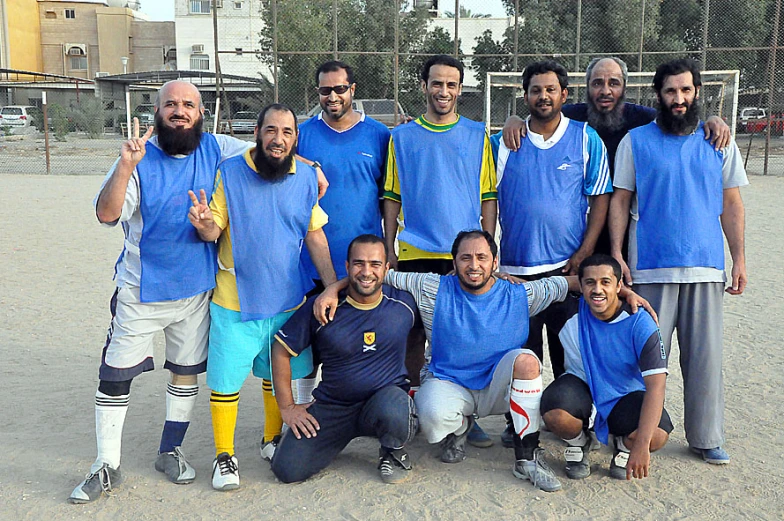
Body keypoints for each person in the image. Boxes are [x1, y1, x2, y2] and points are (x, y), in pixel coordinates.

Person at [315, 231, 656, 492]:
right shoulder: (432, 287)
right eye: (465, 258)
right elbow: (374, 274)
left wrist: (623, 291)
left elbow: (577, 282)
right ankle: (459, 428)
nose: (473, 265)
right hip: (450, 382)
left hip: (497, 386)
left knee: (526, 361)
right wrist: (333, 289)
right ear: (454, 262)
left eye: (482, 257)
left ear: (495, 262)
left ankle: (526, 457)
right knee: (431, 422)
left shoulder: (520, 293)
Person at [69, 81, 255, 504]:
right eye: (170, 104)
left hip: (195, 292)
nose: (179, 111)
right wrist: (124, 166)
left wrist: (311, 168)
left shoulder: (217, 148)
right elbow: (106, 213)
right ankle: (106, 465)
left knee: (185, 371)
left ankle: (169, 450)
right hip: (141, 290)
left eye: (188, 104)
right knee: (115, 375)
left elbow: (264, 151)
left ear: (201, 113)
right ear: (157, 112)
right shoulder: (137, 158)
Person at [188, 103, 337, 491]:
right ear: (257, 132)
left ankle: (271, 439)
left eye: (287, 132)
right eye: (271, 130)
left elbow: (314, 233)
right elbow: (213, 229)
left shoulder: (305, 177)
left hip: (288, 302)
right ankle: (224, 456)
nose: (278, 139)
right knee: (226, 382)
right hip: (235, 302)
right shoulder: (231, 172)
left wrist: (333, 283)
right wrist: (205, 224)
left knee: (277, 375)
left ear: (295, 138)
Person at [608, 58, 748, 466]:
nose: (679, 99)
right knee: (643, 358)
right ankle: (631, 431)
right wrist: (617, 254)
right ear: (659, 95)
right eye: (671, 91)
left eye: (686, 90)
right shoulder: (636, 141)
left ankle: (706, 437)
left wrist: (738, 259)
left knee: (704, 359)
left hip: (706, 267)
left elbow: (732, 203)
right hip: (650, 267)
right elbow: (620, 199)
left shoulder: (718, 140)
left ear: (698, 92)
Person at [383, 54, 498, 447]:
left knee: (459, 337)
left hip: (462, 254)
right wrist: (389, 248)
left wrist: (487, 246)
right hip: (416, 250)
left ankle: (466, 413)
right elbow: (392, 196)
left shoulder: (477, 134)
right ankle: (412, 407)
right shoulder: (402, 137)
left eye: (451, 84)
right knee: (413, 336)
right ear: (424, 86)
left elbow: (487, 195)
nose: (444, 91)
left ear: (461, 89)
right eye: (437, 83)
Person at [490, 59, 611, 382]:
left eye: (551, 90)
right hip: (516, 273)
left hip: (566, 269)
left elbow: (600, 197)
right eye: (536, 90)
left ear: (564, 94)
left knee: (568, 358)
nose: (543, 96)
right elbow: (485, 200)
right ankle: (519, 429)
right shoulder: (502, 143)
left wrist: (584, 252)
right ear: (525, 95)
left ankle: (567, 419)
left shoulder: (586, 138)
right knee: (521, 359)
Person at [269, 234, 419, 484]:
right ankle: (332, 441)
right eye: (359, 263)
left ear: (387, 268)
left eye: (375, 264)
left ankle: (391, 450)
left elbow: (450, 288)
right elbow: (280, 349)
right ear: (347, 267)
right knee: (287, 471)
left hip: (382, 403)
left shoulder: (404, 304)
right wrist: (288, 407)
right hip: (333, 407)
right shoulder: (324, 307)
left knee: (396, 405)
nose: (367, 271)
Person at [294, 60, 391, 405]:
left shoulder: (379, 134)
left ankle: (358, 410)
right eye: (325, 90)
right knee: (306, 349)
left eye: (339, 89)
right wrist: (307, 164)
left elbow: (388, 196)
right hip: (310, 263)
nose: (332, 96)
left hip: (361, 268)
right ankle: (304, 411)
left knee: (358, 343)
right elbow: (270, 157)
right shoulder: (302, 134)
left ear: (352, 90)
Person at [540, 254, 672, 481]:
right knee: (555, 414)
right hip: (580, 385)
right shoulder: (568, 310)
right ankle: (579, 443)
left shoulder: (640, 322)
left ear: (619, 286)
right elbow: (525, 292)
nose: (597, 289)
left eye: (606, 282)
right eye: (589, 282)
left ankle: (623, 445)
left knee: (656, 436)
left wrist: (641, 446)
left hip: (625, 394)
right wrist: (500, 278)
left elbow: (656, 388)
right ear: (580, 286)